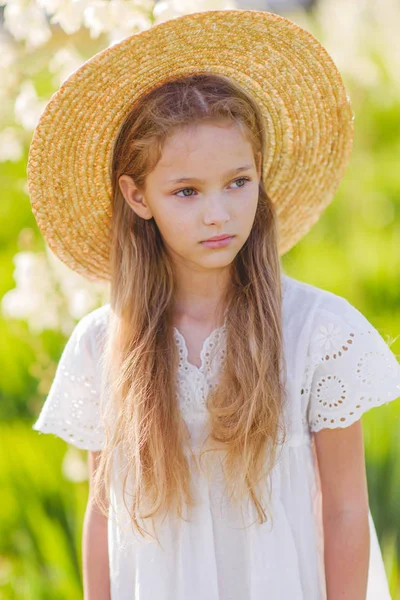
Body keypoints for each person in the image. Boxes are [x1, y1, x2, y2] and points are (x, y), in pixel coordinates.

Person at [28, 9, 400, 600]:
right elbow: (103, 519)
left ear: (261, 175)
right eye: (186, 191)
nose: (219, 214)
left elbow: (347, 510)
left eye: (237, 181)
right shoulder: (104, 346)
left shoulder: (318, 333)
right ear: (137, 195)